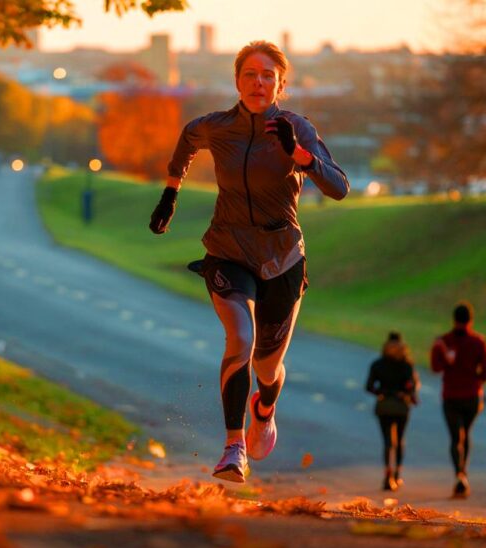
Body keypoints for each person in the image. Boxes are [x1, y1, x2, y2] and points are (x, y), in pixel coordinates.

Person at [148, 40, 350, 483]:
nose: (258, 83)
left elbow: (339, 187)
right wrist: (170, 192)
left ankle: (265, 406)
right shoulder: (217, 127)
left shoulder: (297, 126)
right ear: (237, 81)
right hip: (227, 250)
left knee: (267, 366)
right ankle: (232, 448)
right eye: (249, 75)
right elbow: (186, 140)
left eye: (267, 76)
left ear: (280, 83)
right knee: (239, 339)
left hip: (282, 259)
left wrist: (300, 155)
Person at [430, 301, 486, 499]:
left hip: (451, 396)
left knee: (455, 437)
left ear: (454, 319)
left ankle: (459, 475)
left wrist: (444, 357)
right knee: (466, 433)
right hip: (473, 396)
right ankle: (463, 473)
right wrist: (477, 381)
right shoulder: (478, 341)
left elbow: (435, 367)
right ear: (471, 320)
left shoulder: (444, 341)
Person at [365, 331, 420, 492]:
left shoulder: (377, 364)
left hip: (384, 406)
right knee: (400, 440)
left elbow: (368, 386)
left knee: (387, 442)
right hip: (402, 407)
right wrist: (403, 394)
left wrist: (382, 392)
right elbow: (412, 387)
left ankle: (387, 474)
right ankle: (397, 474)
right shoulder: (407, 365)